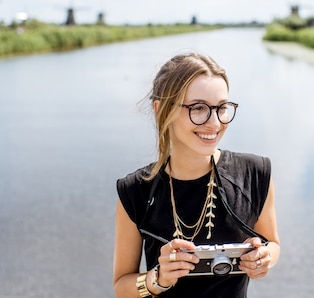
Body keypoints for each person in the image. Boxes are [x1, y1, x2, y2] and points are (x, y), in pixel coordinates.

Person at [113, 53, 280, 298]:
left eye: (222, 107)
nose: (214, 123)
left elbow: (272, 243)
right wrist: (157, 279)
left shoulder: (255, 174)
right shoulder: (135, 191)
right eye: (199, 108)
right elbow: (121, 287)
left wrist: (265, 258)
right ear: (161, 110)